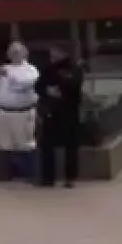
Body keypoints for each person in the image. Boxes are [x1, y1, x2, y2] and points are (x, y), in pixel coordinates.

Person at [0, 41, 40, 183]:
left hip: (22, 112)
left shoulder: (30, 70)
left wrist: (8, 75)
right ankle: (6, 173)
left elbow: (24, 84)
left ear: (24, 53)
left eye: (17, 52)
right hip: (4, 111)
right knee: (5, 143)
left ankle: (29, 173)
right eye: (11, 52)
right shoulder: (4, 68)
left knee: (25, 143)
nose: (14, 54)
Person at [36, 43, 83, 188]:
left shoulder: (74, 68)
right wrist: (47, 91)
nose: (52, 56)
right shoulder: (47, 68)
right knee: (47, 145)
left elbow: (74, 84)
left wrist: (60, 86)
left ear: (63, 53)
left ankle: (70, 178)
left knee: (70, 147)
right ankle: (48, 177)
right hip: (51, 112)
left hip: (69, 112)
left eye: (55, 52)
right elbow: (38, 85)